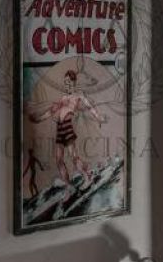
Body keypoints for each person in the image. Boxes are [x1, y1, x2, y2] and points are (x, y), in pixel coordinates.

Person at [29, 69, 106, 198]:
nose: (67, 85)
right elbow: (51, 112)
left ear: (74, 82)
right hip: (59, 129)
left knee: (73, 156)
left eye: (69, 82)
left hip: (68, 126)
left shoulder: (78, 95)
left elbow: (89, 106)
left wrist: (98, 117)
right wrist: (38, 119)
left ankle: (87, 176)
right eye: (65, 83)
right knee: (59, 159)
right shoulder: (63, 98)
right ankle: (68, 185)